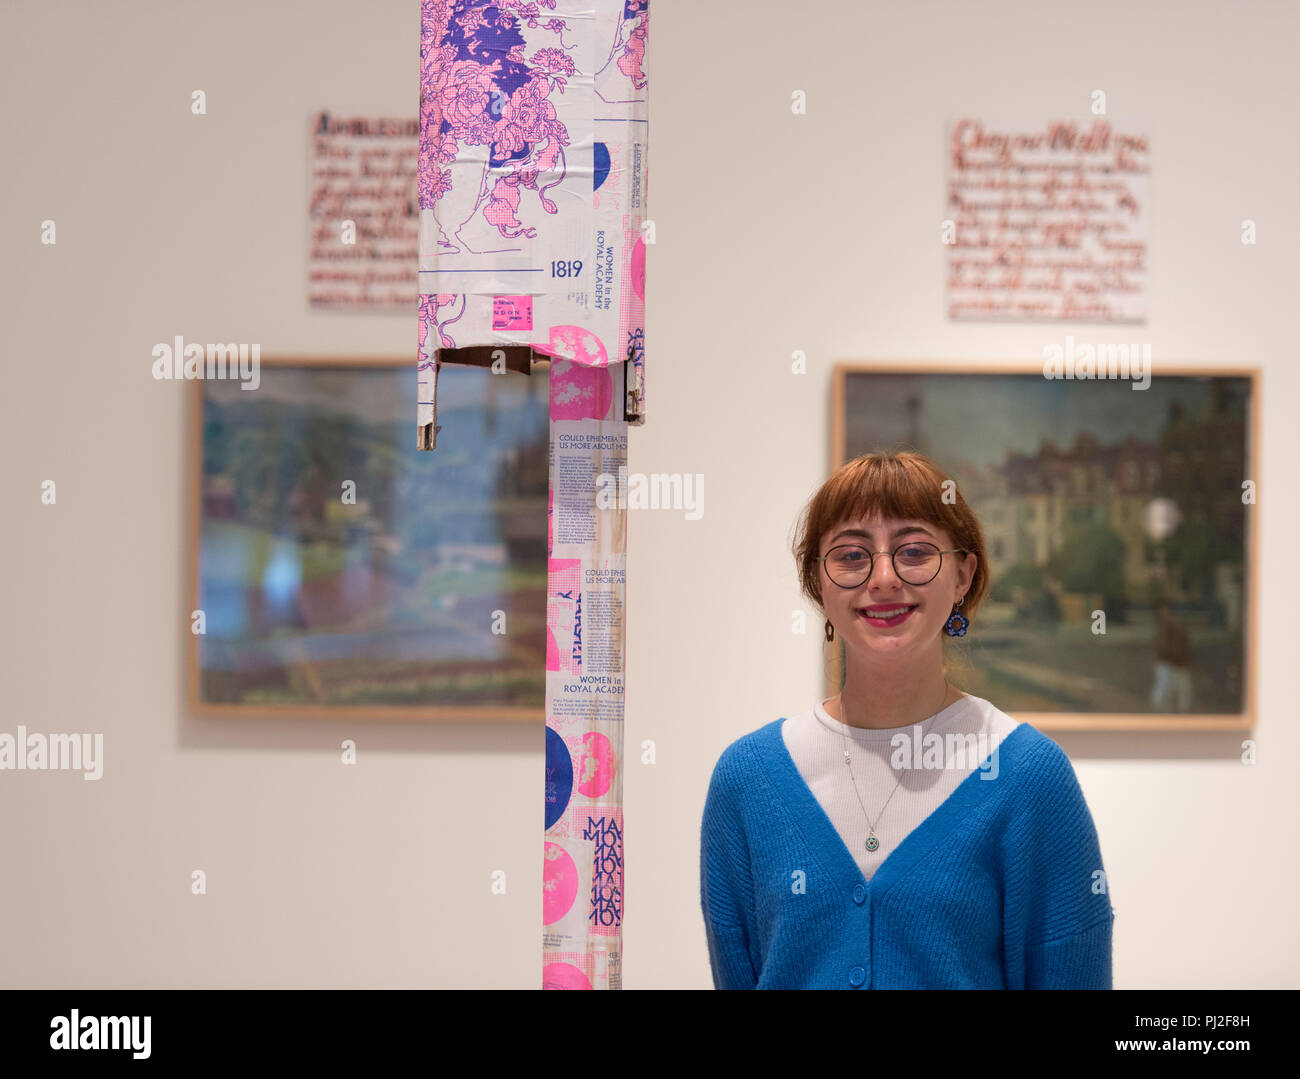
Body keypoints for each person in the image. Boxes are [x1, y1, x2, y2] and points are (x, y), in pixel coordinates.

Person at [699, 451, 1114, 989]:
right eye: (850, 556)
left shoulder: (1030, 778)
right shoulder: (747, 780)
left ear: (963, 573)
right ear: (817, 584)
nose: (885, 578)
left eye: (914, 551)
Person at [1150, 601, 1192, 712]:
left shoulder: (1176, 626)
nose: (1163, 613)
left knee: (1181, 693)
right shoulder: (1162, 627)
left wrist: (1177, 658)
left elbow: (1181, 645)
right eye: (1161, 611)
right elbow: (1160, 646)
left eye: (1165, 610)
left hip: (1175, 663)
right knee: (1165, 694)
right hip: (1167, 663)